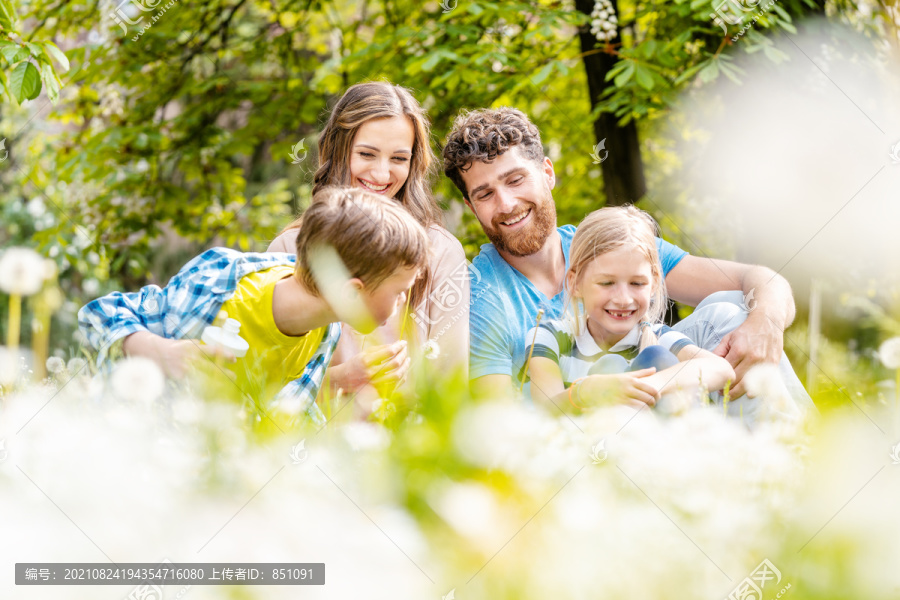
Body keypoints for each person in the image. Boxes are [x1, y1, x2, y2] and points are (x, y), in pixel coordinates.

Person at [442, 107, 815, 419]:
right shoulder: (481, 295)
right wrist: (586, 396)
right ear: (472, 207)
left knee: (732, 308)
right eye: (485, 194)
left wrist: (765, 322)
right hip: (584, 444)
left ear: (547, 173)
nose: (506, 203)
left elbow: (760, 279)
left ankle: (797, 461)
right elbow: (495, 423)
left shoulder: (611, 245)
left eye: (515, 179)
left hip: (661, 407)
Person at [78, 187, 429, 426]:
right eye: (400, 291)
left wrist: (345, 383)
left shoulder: (325, 331)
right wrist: (159, 351)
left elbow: (282, 421)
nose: (403, 302)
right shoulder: (221, 281)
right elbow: (99, 315)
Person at [269, 82, 469, 405]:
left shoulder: (441, 252)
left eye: (398, 158)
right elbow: (263, 383)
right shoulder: (289, 249)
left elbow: (451, 392)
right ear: (338, 150)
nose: (381, 173)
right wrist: (339, 379)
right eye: (366, 154)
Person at [525, 206, 734, 412]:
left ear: (653, 284)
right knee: (610, 366)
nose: (623, 299)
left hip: (652, 437)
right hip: (592, 441)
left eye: (637, 284)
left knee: (657, 357)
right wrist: (587, 392)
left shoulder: (656, 336)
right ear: (575, 283)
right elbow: (546, 410)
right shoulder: (550, 336)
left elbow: (722, 369)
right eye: (607, 283)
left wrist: (648, 386)